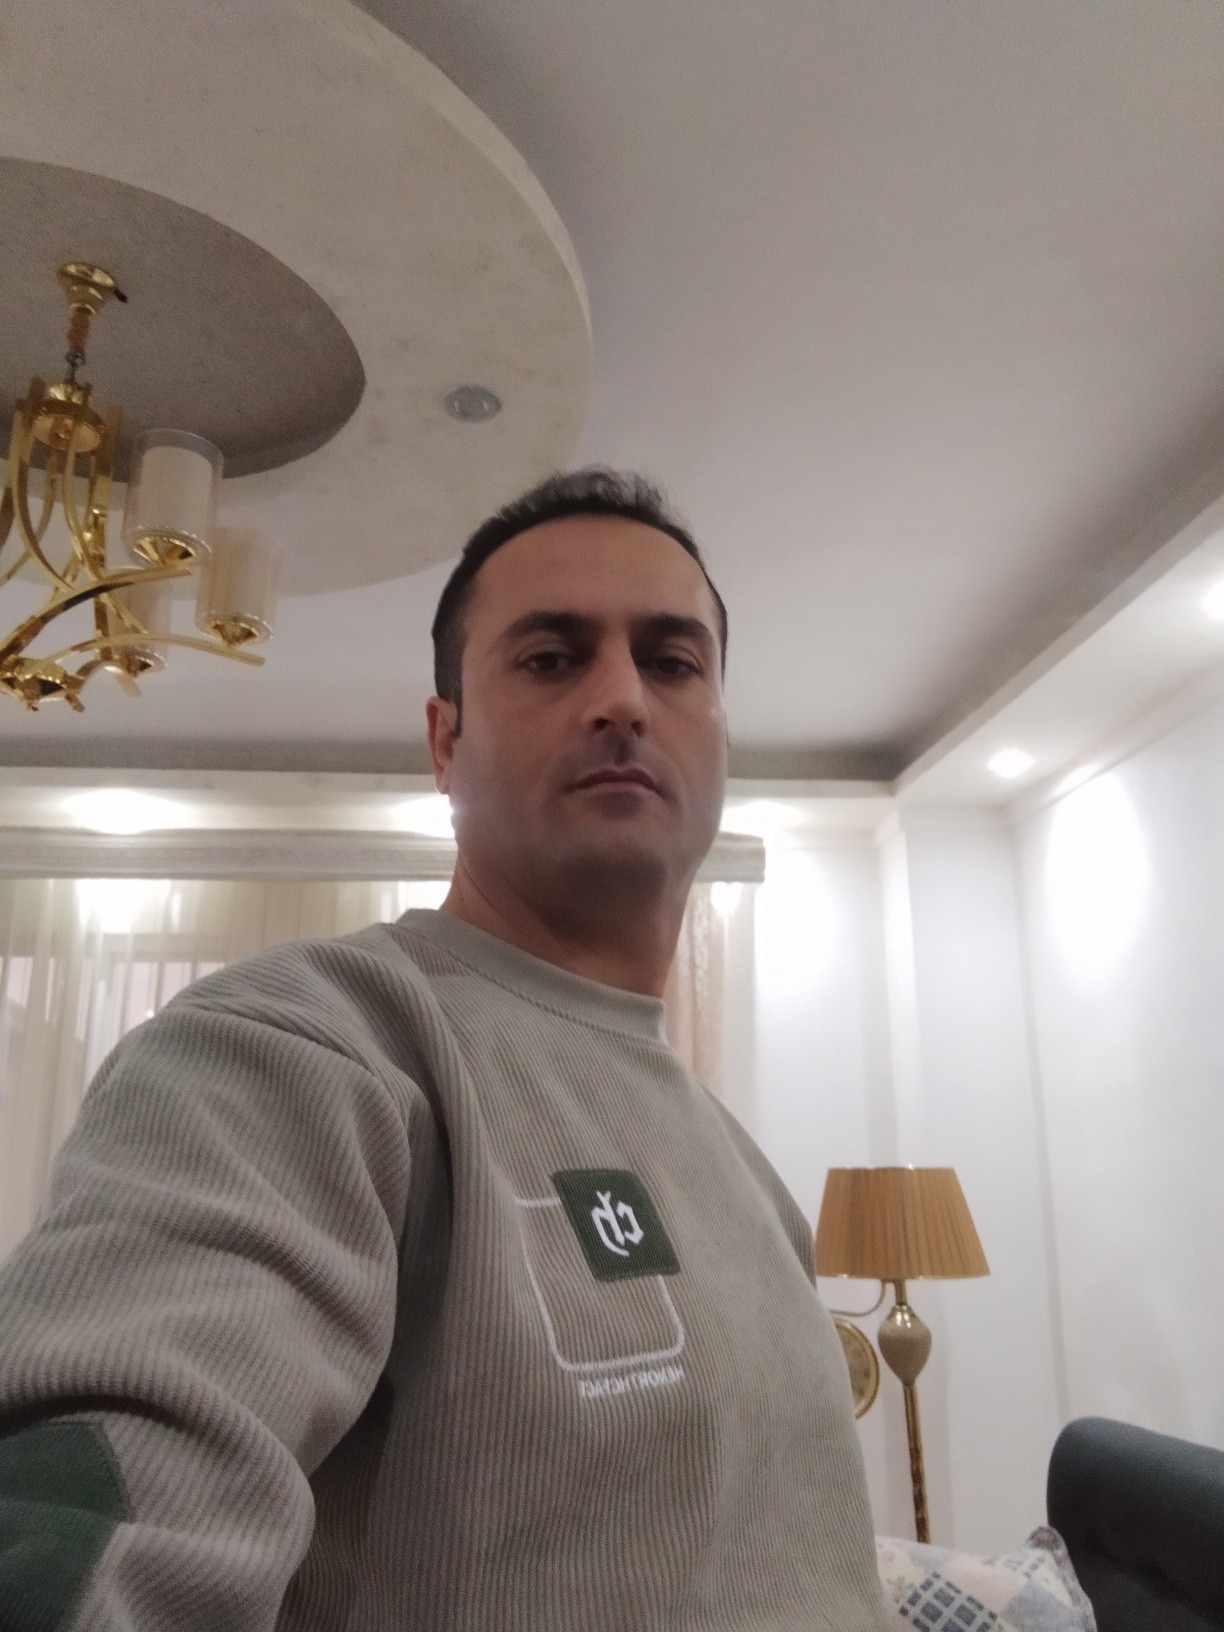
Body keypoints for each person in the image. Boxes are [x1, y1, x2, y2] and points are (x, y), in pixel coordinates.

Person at [0, 469, 890, 1631]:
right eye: (552, 658)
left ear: (721, 734)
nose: (623, 698)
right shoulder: (304, 1045)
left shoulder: (751, 1180)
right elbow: (95, 1513)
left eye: (673, 662)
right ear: (444, 740)